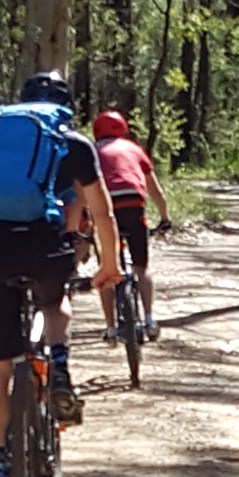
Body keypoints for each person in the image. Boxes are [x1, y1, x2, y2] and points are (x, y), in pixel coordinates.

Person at [0, 73, 125, 477]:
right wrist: (109, 265)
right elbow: (102, 213)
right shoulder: (74, 144)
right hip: (45, 249)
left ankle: (4, 471)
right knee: (55, 299)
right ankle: (57, 364)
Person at [88, 109, 170, 341]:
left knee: (106, 270)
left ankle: (111, 328)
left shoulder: (91, 152)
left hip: (106, 207)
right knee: (141, 268)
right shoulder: (134, 149)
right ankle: (149, 319)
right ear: (123, 128)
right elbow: (155, 191)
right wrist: (164, 218)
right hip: (134, 205)